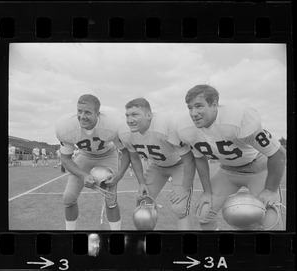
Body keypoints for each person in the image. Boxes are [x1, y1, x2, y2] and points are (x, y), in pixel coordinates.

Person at [170, 84, 286, 230]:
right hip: (227, 171)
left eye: (199, 106)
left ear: (214, 105)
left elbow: (278, 153)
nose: (193, 113)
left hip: (258, 169)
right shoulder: (186, 128)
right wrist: (206, 192)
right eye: (190, 108)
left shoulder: (239, 119)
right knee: (204, 213)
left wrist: (270, 190)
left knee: (272, 222)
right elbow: (200, 158)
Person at [118, 98, 196, 230]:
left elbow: (189, 158)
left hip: (179, 164)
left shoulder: (167, 125)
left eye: (135, 115)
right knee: (142, 204)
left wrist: (185, 187)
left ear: (149, 115)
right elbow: (134, 158)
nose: (129, 120)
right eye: (127, 115)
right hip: (157, 166)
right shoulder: (125, 132)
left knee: (180, 207)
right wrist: (142, 182)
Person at [55, 94, 130, 230]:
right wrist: (84, 175)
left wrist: (118, 176)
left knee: (110, 199)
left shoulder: (113, 124)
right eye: (79, 111)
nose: (82, 116)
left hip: (108, 154)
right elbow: (65, 158)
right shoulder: (66, 127)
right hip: (84, 155)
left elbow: (126, 152)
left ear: (98, 114)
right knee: (68, 197)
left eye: (88, 112)